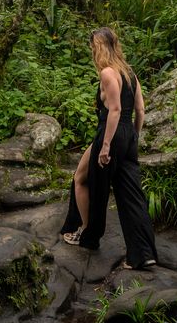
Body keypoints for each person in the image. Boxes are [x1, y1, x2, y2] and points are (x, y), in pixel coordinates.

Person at [60, 27, 157, 270]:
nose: (92, 49)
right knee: (130, 194)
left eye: (94, 45)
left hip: (110, 134)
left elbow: (114, 110)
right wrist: (133, 136)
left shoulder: (107, 73)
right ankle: (143, 254)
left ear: (100, 47)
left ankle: (88, 235)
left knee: (90, 183)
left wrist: (106, 146)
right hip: (127, 135)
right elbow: (140, 110)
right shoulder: (130, 73)